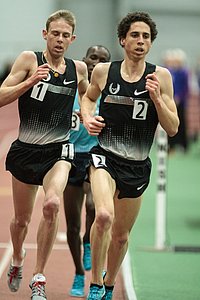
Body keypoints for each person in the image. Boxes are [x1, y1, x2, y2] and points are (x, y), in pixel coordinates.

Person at [81, 11, 180, 299]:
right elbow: (88, 98)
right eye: (135, 35)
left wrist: (158, 100)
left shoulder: (161, 76)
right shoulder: (104, 72)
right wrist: (88, 118)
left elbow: (172, 128)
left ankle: (109, 283)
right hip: (105, 157)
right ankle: (96, 286)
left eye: (146, 37)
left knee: (121, 236)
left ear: (151, 44)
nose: (140, 41)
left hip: (136, 165)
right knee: (102, 215)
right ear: (122, 40)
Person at [0, 10, 88, 300]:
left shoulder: (78, 69)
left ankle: (39, 276)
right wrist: (29, 82)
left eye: (66, 35)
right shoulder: (29, 59)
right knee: (21, 221)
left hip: (59, 150)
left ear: (72, 39)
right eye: (55, 34)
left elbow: (90, 97)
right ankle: (17, 259)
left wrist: (87, 116)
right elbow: (1, 96)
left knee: (51, 204)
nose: (60, 39)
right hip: (27, 149)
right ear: (45, 34)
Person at [64, 45, 111, 297]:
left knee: (94, 207)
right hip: (69, 157)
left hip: (96, 155)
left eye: (103, 60)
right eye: (93, 57)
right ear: (84, 59)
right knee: (72, 223)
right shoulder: (71, 88)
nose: (96, 62)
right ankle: (79, 272)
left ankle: (89, 244)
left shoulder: (105, 93)